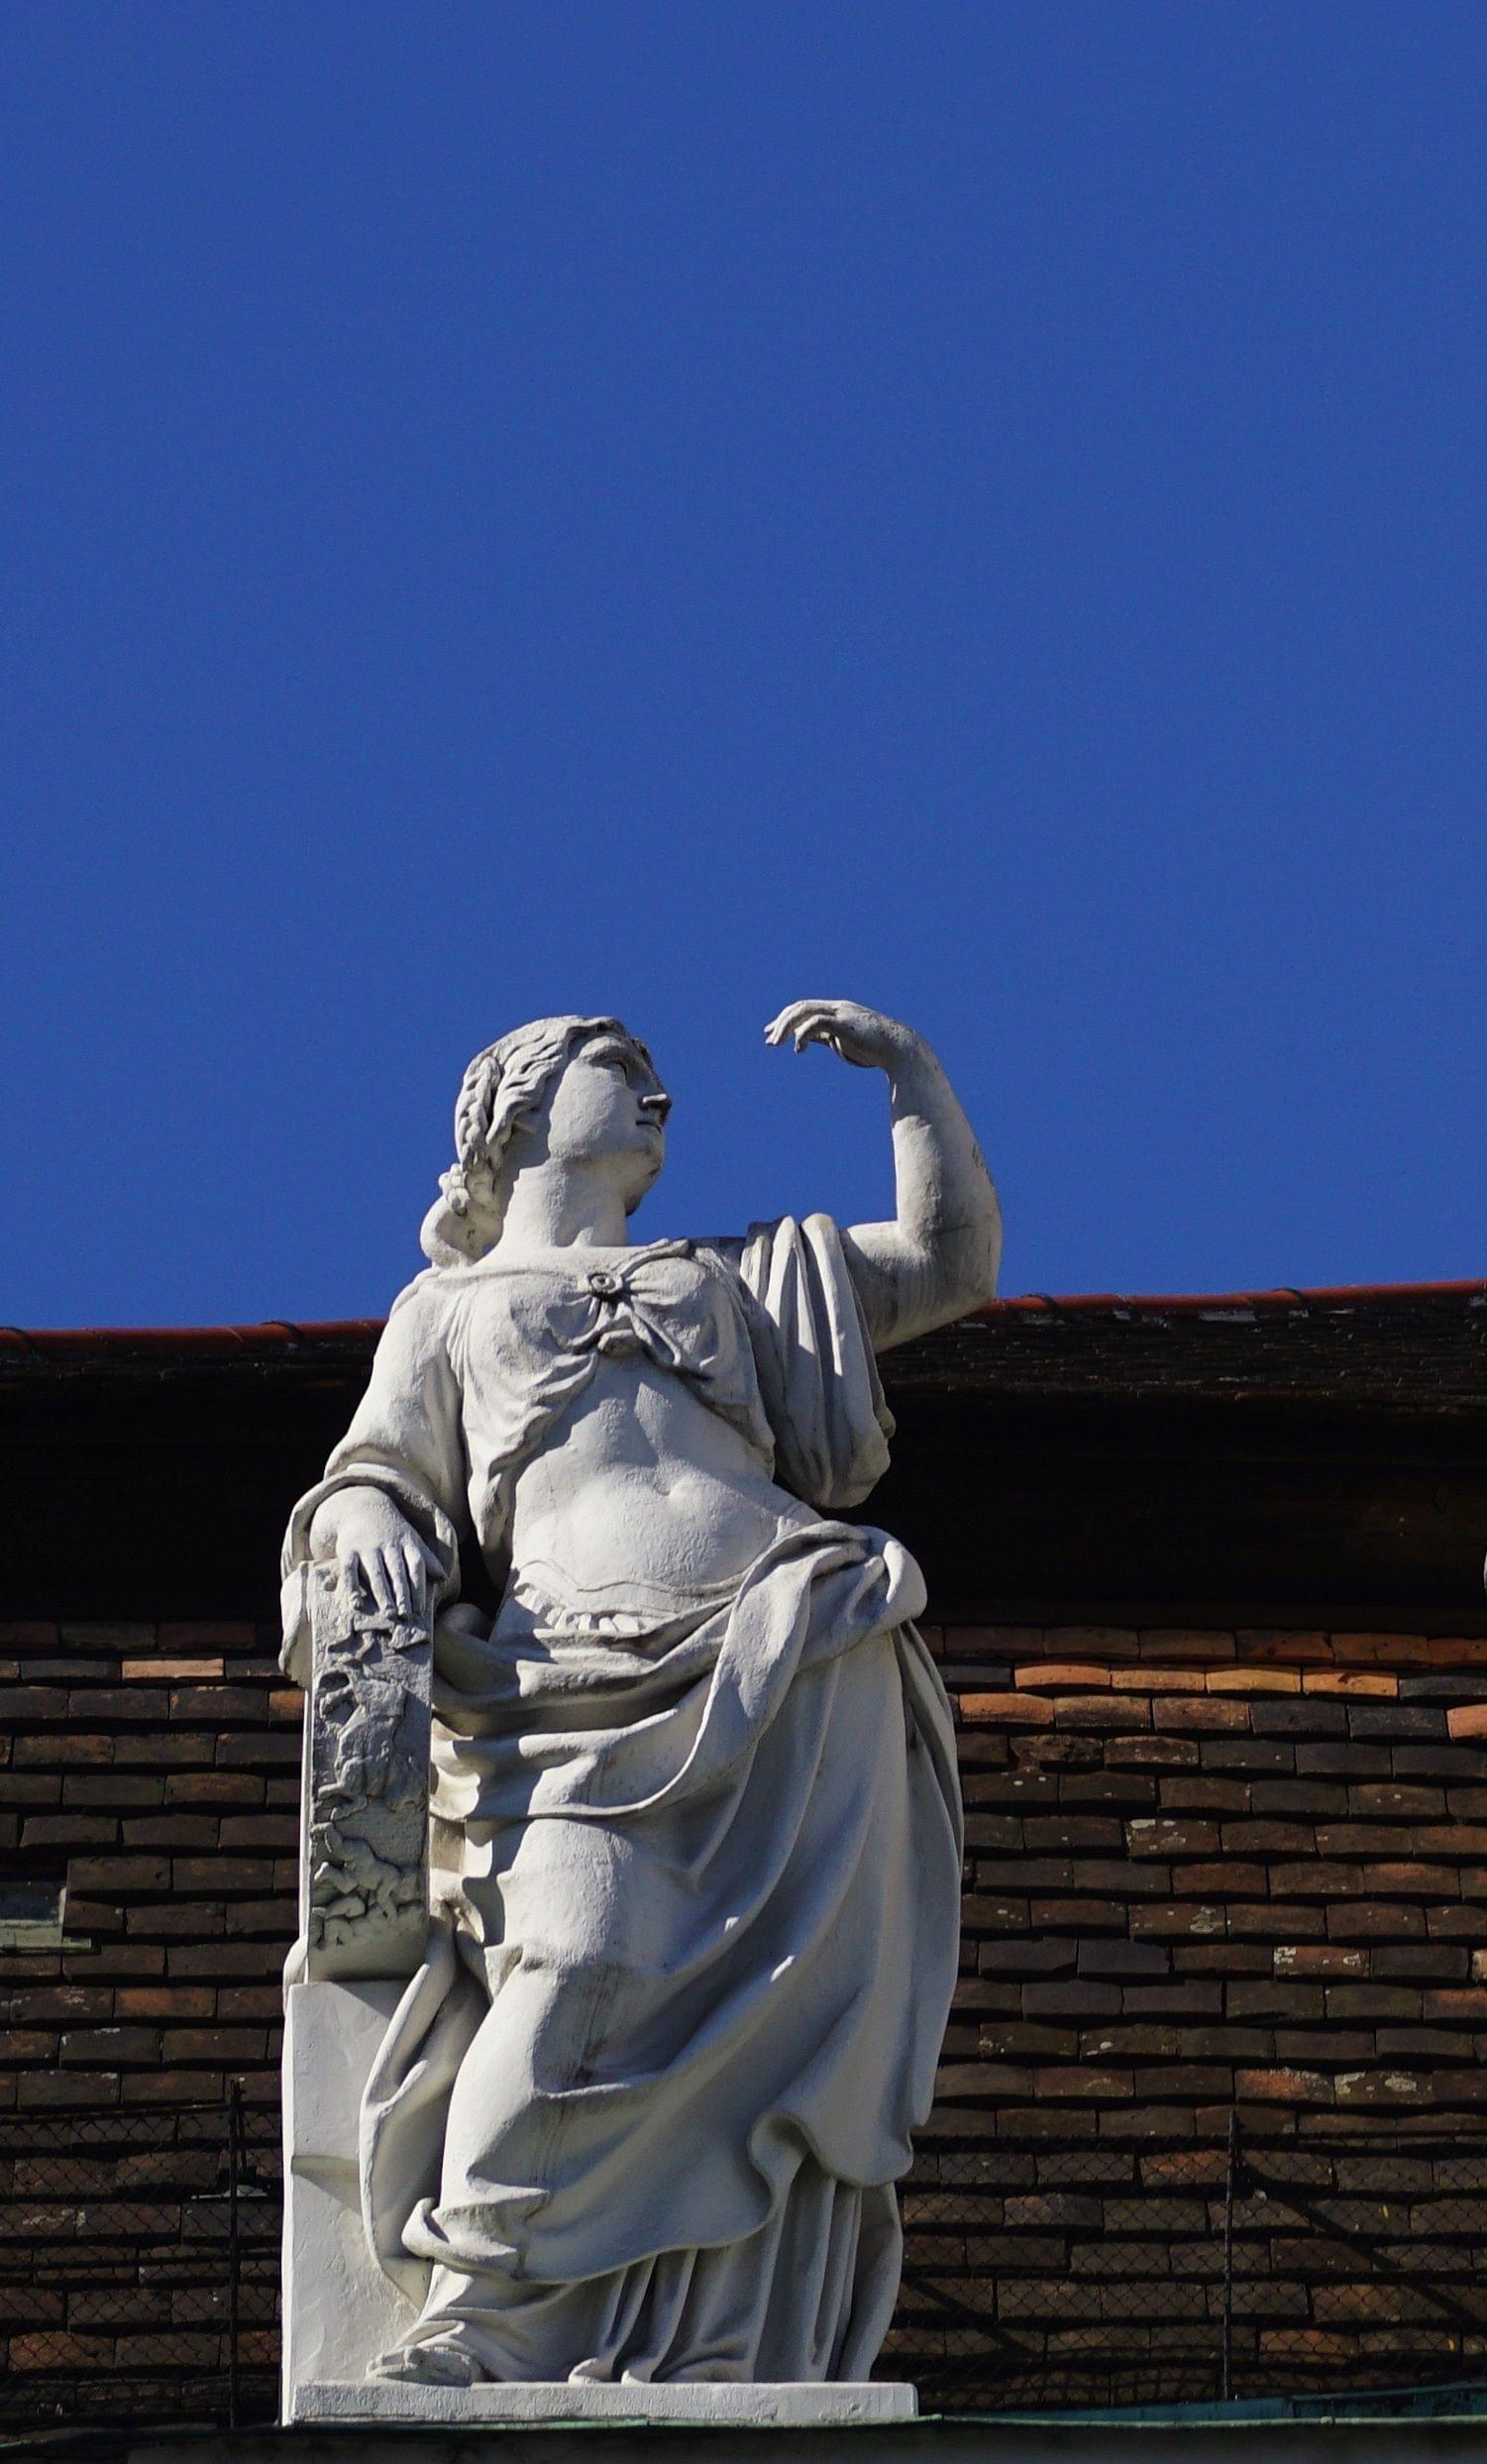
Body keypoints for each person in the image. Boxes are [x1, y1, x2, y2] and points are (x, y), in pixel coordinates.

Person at [287, 1004, 996, 2387]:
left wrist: (915, 1083)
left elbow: (951, 1261)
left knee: (777, 2023)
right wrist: (364, 1510)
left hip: (794, 1657)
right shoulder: (447, 1310)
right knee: (575, 1959)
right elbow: (377, 1468)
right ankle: (485, 2304)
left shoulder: (742, 1277)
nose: (660, 1090)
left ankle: (725, 2336)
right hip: (567, 1686)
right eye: (621, 1068)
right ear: (517, 1112)